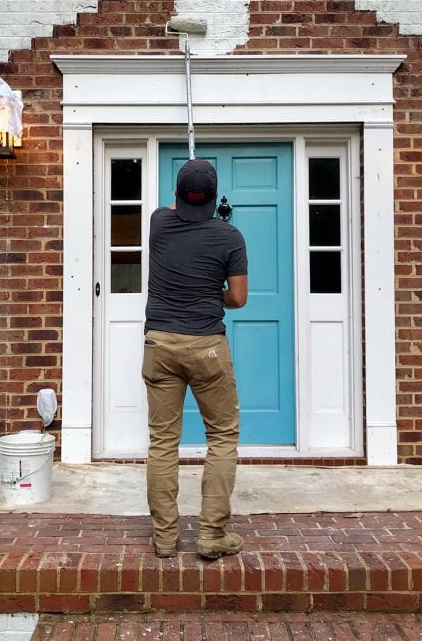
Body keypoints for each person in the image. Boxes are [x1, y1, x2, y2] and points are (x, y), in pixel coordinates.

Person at [142, 158, 248, 560]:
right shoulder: (230, 237)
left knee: (162, 443)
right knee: (221, 437)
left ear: (176, 194)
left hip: (159, 345)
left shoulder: (158, 223)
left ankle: (165, 538)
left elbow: (173, 209)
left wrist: (186, 202)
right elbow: (237, 298)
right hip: (206, 346)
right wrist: (211, 295)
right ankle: (211, 534)